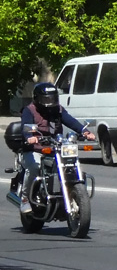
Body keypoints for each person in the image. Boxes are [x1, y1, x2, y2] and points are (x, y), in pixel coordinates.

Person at [18, 82, 95, 215]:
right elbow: (25, 126)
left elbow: (69, 120)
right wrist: (29, 136)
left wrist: (85, 131)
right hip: (34, 149)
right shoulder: (29, 110)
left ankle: (77, 197)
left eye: (52, 98)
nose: (50, 102)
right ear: (37, 98)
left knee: (72, 166)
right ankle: (25, 199)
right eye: (46, 99)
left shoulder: (58, 109)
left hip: (55, 148)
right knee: (35, 167)